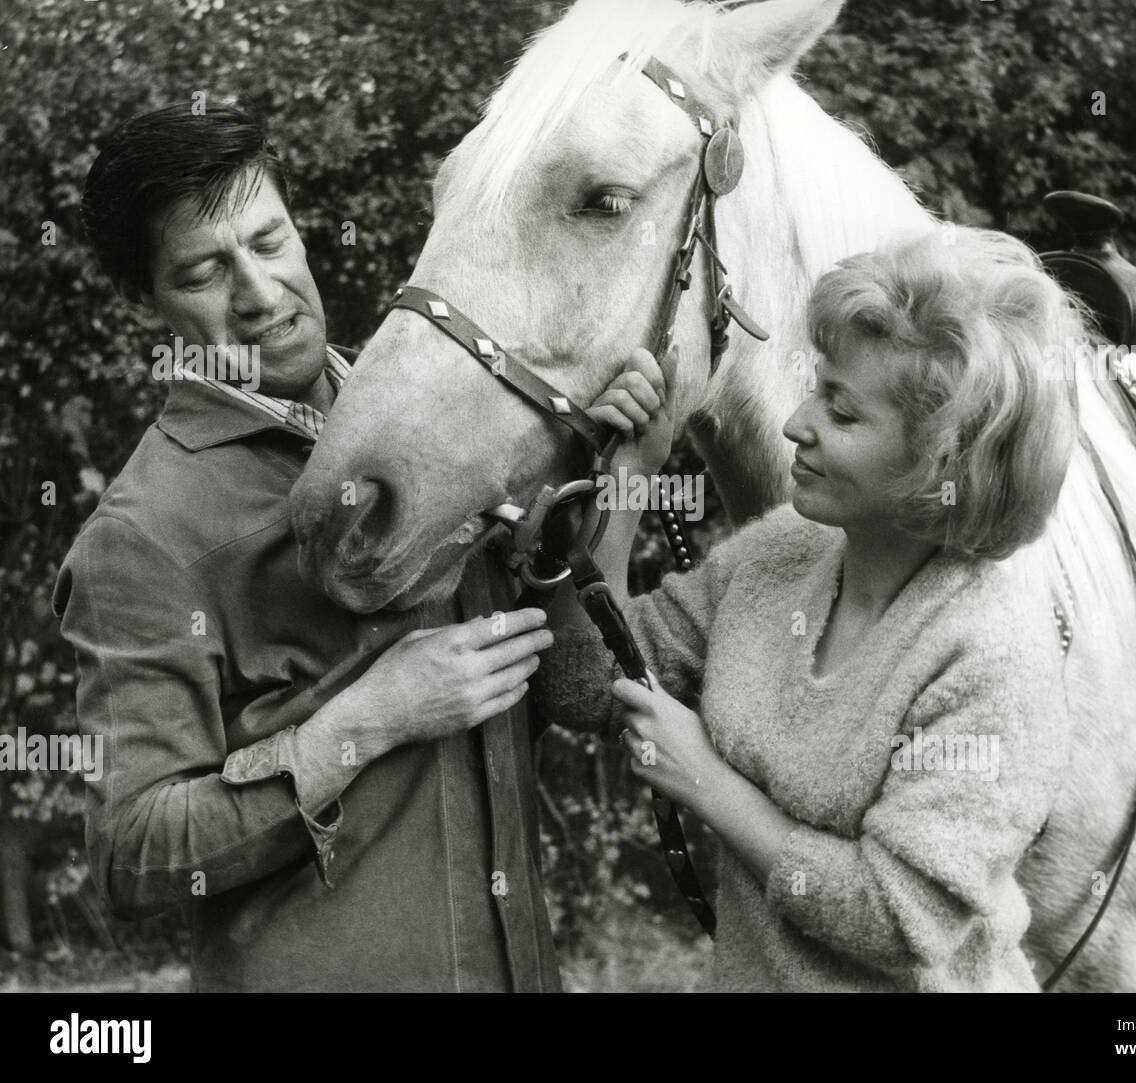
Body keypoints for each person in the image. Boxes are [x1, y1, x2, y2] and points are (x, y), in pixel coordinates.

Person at [53, 102, 656, 992]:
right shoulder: (140, 539)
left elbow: (576, 684)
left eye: (268, 241)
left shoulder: (438, 420)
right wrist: (368, 721)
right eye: (204, 272)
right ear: (150, 302)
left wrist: (619, 472)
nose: (258, 293)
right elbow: (132, 850)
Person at [536, 226, 1081, 992]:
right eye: (817, 385)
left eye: (843, 411)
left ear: (942, 462)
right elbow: (586, 685)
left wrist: (709, 783)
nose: (798, 423)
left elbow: (901, 920)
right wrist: (630, 478)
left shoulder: (992, 655)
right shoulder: (782, 553)